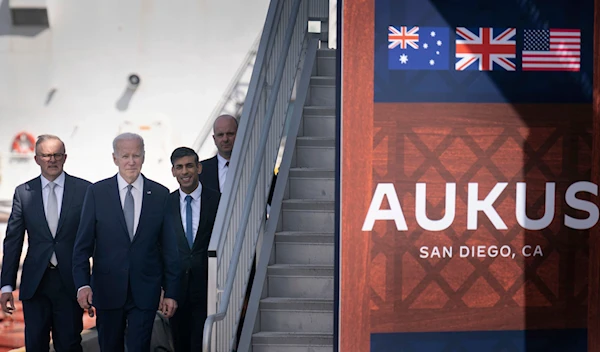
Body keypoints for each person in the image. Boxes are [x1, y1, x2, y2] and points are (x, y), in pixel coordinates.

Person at [71, 132, 180, 352]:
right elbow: (82, 246)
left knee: (140, 347)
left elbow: (170, 249)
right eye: (125, 156)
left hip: (146, 290)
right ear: (115, 158)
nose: (131, 161)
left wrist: (170, 292)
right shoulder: (97, 193)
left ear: (144, 157)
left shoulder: (160, 195)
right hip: (107, 290)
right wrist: (82, 285)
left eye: (136, 155)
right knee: (110, 347)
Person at [0, 134, 91, 351]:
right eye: (46, 155)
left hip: (71, 283)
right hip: (35, 284)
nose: (52, 160)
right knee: (35, 345)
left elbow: (95, 238)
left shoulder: (85, 190)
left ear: (65, 157)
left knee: (69, 344)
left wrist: (92, 283)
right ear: (36, 159)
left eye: (57, 155)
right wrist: (6, 285)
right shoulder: (23, 193)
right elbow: (13, 240)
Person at [168, 147, 220, 351]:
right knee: (180, 345)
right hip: (176, 291)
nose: (185, 172)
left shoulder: (217, 200)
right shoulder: (166, 203)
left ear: (199, 168)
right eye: (179, 167)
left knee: (203, 344)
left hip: (208, 287)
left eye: (189, 165)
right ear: (173, 171)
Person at [199, 114, 238, 193]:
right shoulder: (200, 171)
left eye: (230, 134)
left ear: (238, 134)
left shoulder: (254, 165)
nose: (225, 139)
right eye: (220, 135)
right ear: (214, 139)